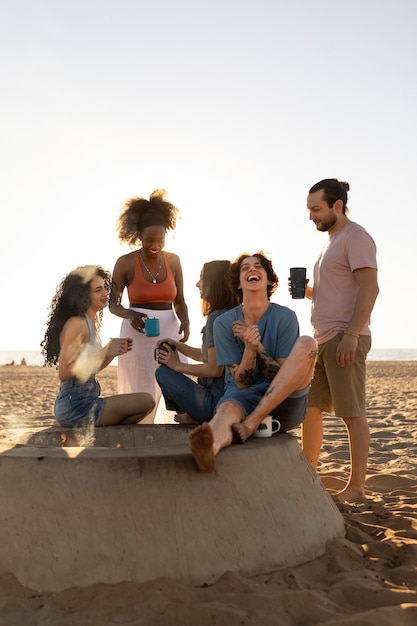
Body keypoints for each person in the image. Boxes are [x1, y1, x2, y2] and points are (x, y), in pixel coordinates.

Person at [189, 251, 318, 472]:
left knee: (308, 344)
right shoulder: (223, 323)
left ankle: (251, 423)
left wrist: (259, 347)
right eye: (245, 267)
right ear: (238, 283)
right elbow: (241, 383)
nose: (252, 269)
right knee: (226, 409)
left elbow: (282, 378)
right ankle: (210, 447)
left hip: (285, 402)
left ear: (269, 280)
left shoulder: (286, 317)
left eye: (258, 266)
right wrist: (249, 349)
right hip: (244, 396)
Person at [301, 178, 379, 503]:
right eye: (309, 210)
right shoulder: (330, 242)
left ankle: (357, 487)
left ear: (337, 205)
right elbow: (336, 292)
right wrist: (309, 293)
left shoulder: (355, 236)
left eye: (316, 209)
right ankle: (307, 474)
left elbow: (369, 288)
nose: (311, 217)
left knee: (351, 412)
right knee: (310, 409)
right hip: (323, 340)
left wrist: (351, 334)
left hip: (345, 337)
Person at [109, 189, 190, 423]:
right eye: (149, 240)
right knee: (142, 385)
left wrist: (185, 320)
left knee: (174, 380)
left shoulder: (173, 260)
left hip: (169, 331)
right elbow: (112, 304)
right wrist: (130, 313)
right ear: (138, 236)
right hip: (138, 331)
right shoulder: (125, 263)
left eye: (160, 240)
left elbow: (180, 300)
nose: (155, 245)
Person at [41, 265, 155, 427]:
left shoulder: (90, 324)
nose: (106, 294)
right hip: (76, 405)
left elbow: (91, 369)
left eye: (105, 288)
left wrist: (110, 354)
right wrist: (104, 352)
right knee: (146, 400)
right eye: (98, 290)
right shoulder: (77, 324)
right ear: (83, 296)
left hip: (87, 398)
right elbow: (65, 372)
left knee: (144, 405)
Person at [155, 260, 239, 424]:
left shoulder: (216, 318)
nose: (197, 284)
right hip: (231, 400)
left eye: (202, 278)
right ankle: (192, 413)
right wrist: (180, 347)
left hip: (215, 403)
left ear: (215, 283)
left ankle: (193, 415)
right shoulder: (232, 314)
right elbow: (210, 357)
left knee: (163, 373)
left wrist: (176, 365)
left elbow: (215, 369)